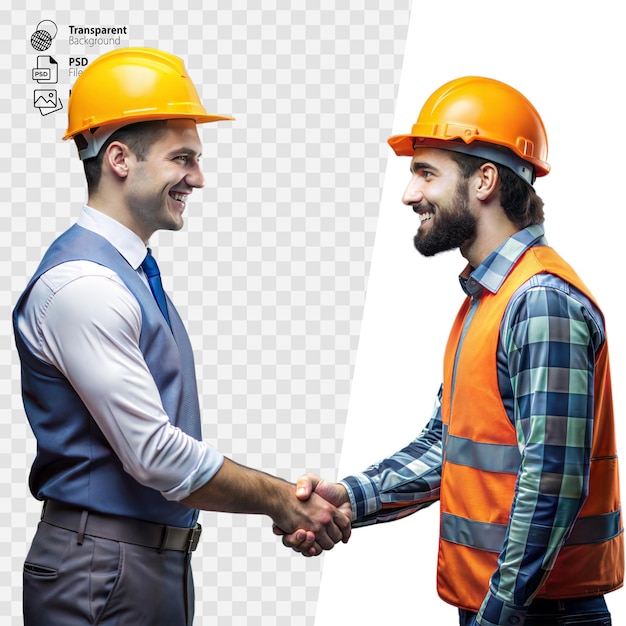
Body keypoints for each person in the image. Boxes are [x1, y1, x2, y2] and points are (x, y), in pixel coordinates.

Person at [12, 47, 351, 626]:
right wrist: (278, 499)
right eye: (183, 158)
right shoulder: (83, 286)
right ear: (120, 159)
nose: (198, 177)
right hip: (103, 568)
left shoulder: (128, 273)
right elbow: (155, 455)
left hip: (142, 564)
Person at [278, 76, 624, 625]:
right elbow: (451, 447)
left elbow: (553, 481)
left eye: (425, 172)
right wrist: (347, 498)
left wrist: (496, 615)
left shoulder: (538, 303)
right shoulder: (490, 299)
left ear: (485, 179)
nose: (410, 194)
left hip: (536, 615)